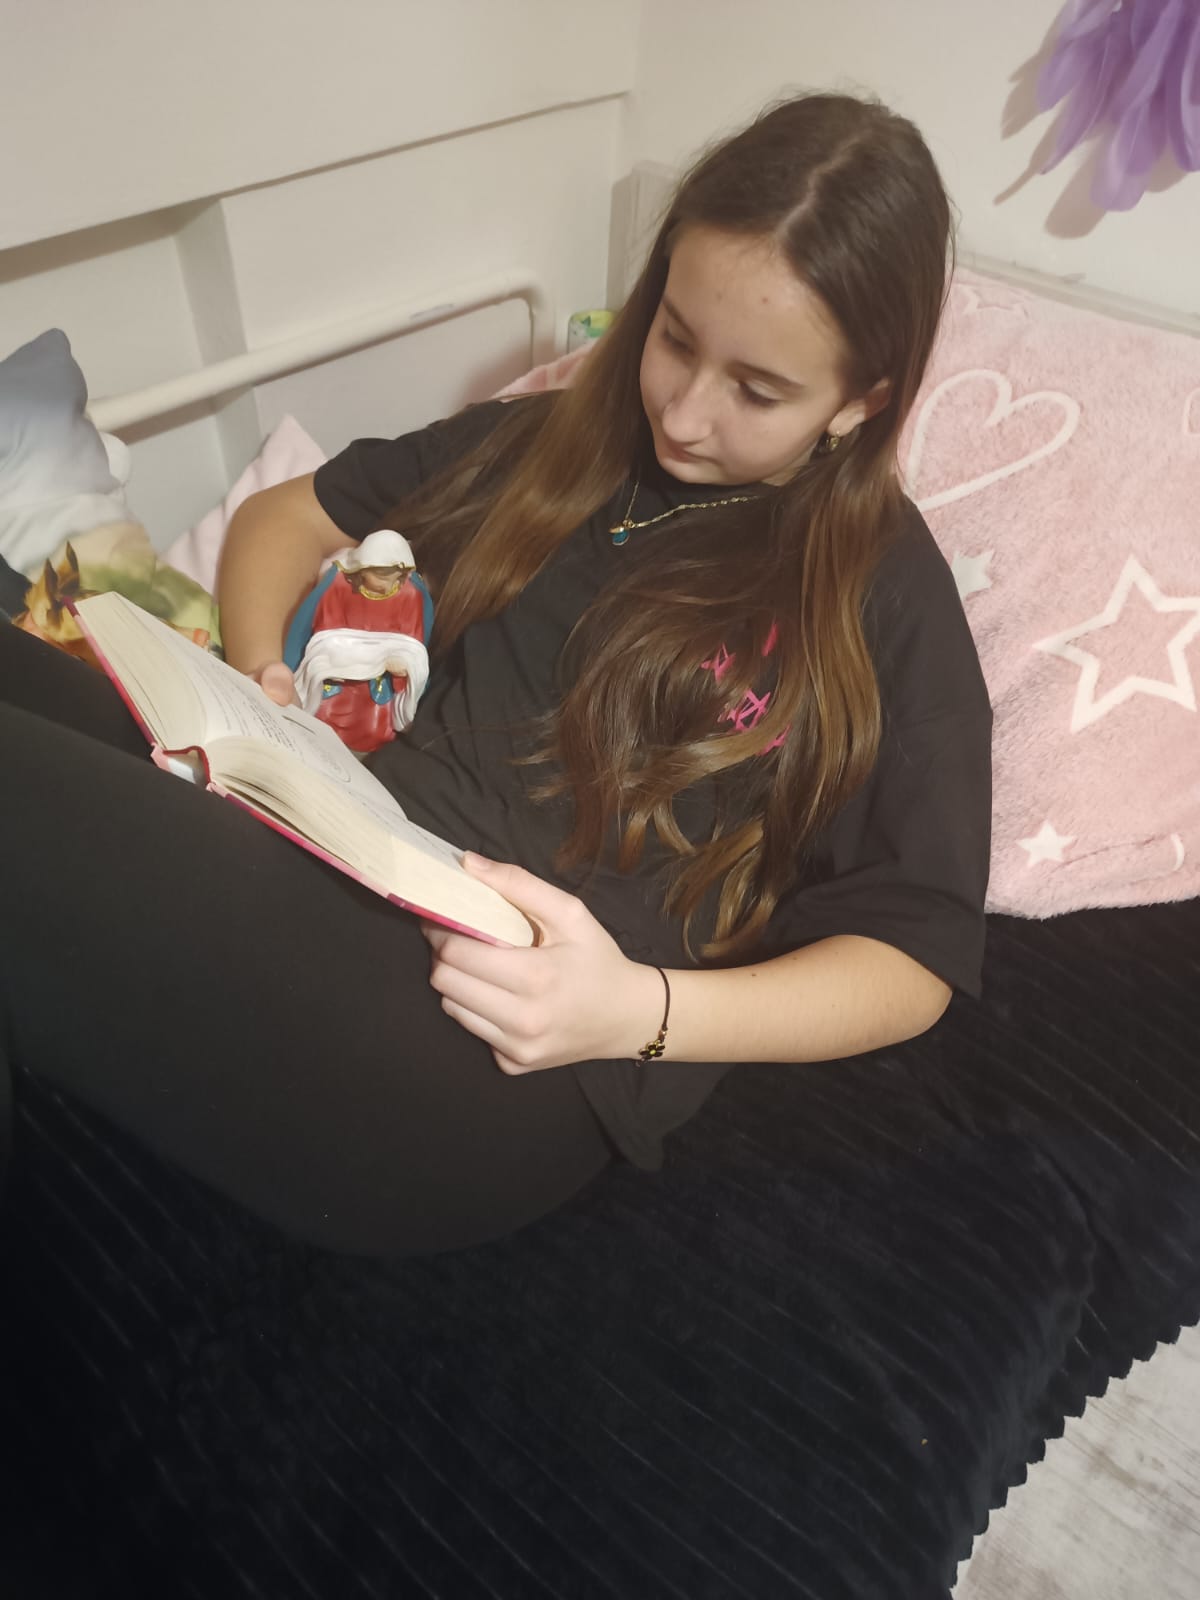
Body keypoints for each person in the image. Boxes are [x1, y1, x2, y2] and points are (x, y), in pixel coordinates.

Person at [1, 92, 992, 1256]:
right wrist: (261, 677)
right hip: (343, 842)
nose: (683, 412)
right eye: (675, 338)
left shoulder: (883, 592)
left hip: (507, 1040)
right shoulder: (560, 442)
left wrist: (636, 1011)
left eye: (756, 391)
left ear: (861, 403)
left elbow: (915, 958)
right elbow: (285, 517)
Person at [285, 528, 432, 753]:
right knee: (323, 717)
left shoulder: (411, 594)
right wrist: (328, 659)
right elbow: (316, 629)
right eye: (380, 577)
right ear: (362, 568)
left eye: (395, 578)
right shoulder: (338, 584)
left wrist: (405, 666)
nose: (386, 585)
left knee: (373, 727)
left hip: (378, 685)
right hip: (336, 678)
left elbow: (414, 645)